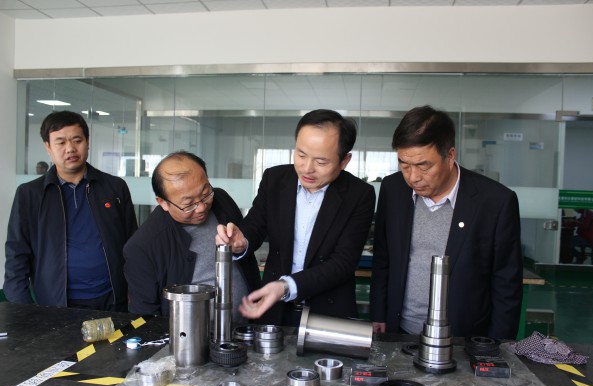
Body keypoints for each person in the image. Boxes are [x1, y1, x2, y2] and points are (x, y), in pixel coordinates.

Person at [369, 105, 523, 340]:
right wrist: (379, 313)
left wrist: (496, 345)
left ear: (450, 156)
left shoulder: (495, 201)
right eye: (404, 165)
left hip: (463, 338)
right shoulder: (393, 189)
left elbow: (506, 284)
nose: (413, 177)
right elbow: (383, 257)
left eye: (424, 166)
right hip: (400, 330)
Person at [216, 109, 376, 327]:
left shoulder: (359, 194)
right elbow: (255, 225)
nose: (307, 168)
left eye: (321, 162)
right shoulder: (274, 179)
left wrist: (286, 286)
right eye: (301, 155)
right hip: (274, 309)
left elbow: (343, 262)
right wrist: (241, 241)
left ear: (344, 161)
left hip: (328, 313)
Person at [4, 111, 137, 311]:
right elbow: (17, 255)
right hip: (55, 305)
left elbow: (133, 245)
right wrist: (24, 310)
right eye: (60, 142)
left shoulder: (114, 187)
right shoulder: (29, 194)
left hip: (112, 300)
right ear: (48, 147)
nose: (70, 149)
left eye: (77, 140)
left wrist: (135, 292)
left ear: (87, 142)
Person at [123, 151, 261, 318]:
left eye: (205, 194)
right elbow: (145, 317)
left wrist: (241, 245)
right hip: (191, 333)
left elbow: (246, 246)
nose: (201, 207)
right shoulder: (142, 246)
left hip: (249, 323)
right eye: (188, 204)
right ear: (163, 202)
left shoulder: (221, 200)